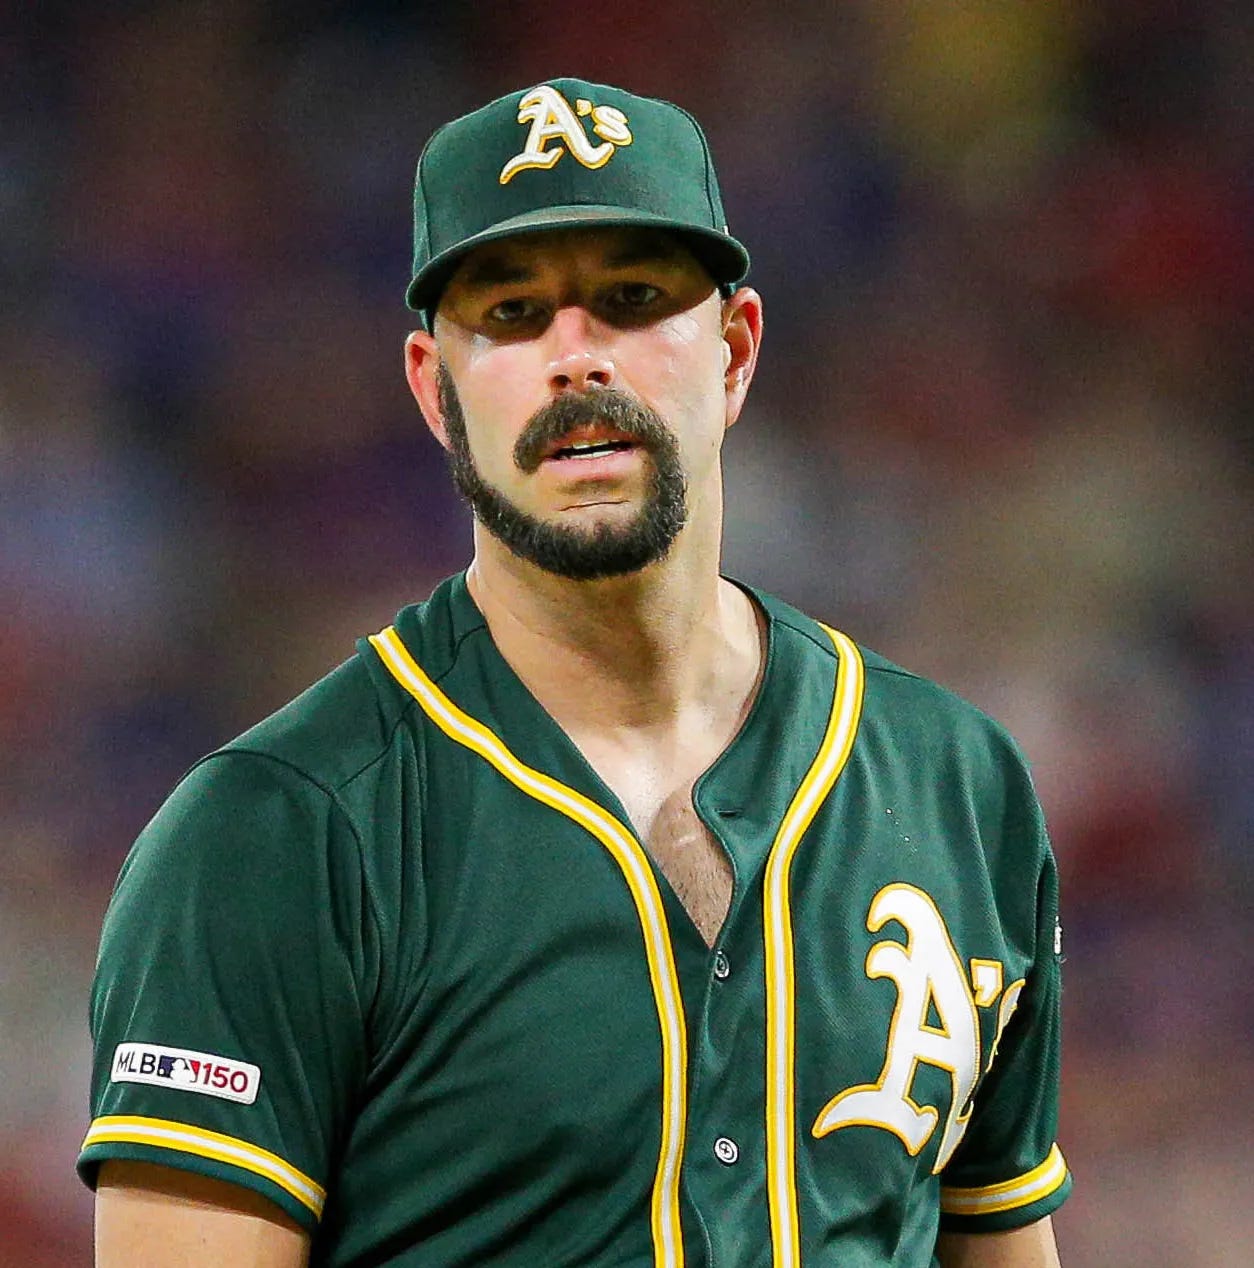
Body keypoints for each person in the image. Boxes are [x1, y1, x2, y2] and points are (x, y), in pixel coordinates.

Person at [80, 78, 1071, 1267]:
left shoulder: (953, 784)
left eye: (632, 297)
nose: (574, 357)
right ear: (431, 388)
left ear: (738, 350)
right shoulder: (279, 834)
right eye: (509, 313)